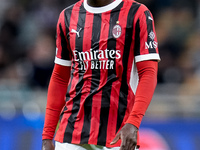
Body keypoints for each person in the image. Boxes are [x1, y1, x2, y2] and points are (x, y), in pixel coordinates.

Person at [42, 0, 160, 150]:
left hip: (119, 133)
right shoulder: (67, 16)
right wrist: (47, 137)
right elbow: (60, 76)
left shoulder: (137, 13)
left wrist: (133, 123)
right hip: (71, 132)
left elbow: (148, 73)